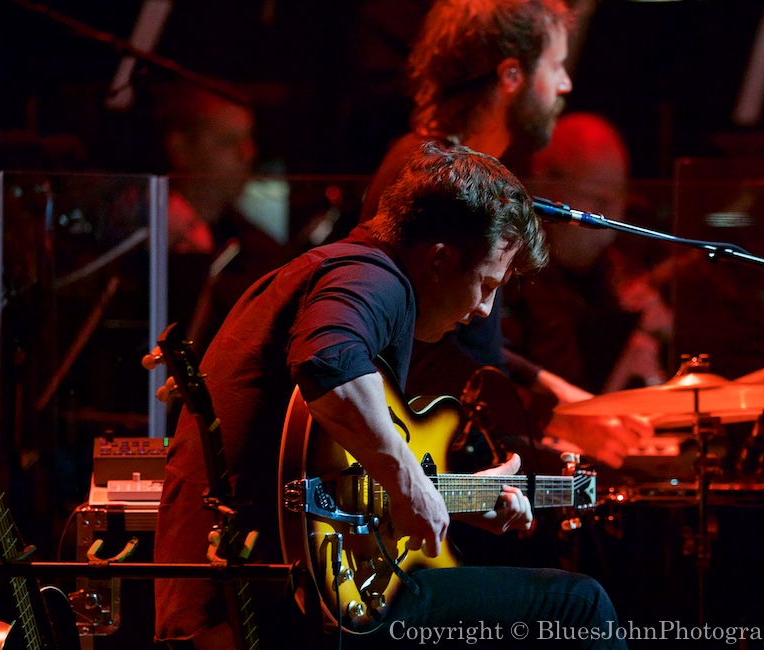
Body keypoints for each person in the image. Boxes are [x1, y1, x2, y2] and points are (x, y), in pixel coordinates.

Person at [154, 142, 626, 649]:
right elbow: (328, 362)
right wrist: (409, 482)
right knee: (579, 606)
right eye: (487, 285)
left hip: (249, 590)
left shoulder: (343, 271)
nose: (485, 311)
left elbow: (331, 480)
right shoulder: (373, 277)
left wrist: (452, 497)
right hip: (261, 602)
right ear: (439, 260)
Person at [358, 0, 647, 469]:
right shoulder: (430, 181)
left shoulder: (453, 169)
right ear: (511, 75)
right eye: (555, 66)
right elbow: (422, 356)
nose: (565, 84)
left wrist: (557, 391)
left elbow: (468, 341)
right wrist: (557, 420)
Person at [505, 112, 673, 403]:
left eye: (620, 201)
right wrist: (628, 351)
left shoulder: (609, 268)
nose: (612, 220)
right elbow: (561, 400)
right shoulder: (517, 277)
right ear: (547, 187)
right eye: (599, 201)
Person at [154, 81, 288, 351]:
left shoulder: (259, 250)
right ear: (181, 148)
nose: (247, 154)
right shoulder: (146, 237)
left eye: (249, 140)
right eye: (228, 141)